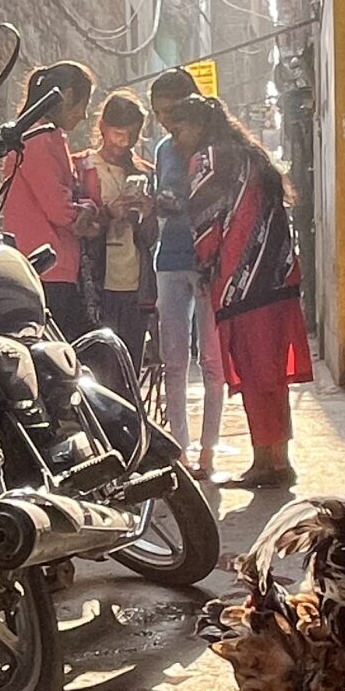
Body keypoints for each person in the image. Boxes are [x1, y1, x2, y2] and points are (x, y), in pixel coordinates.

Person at [183, 92, 313, 489]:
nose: (176, 137)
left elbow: (205, 226)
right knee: (271, 373)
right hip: (276, 276)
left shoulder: (209, 160)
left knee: (255, 372)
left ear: (198, 126)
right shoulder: (252, 155)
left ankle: (263, 461)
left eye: (178, 128)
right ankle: (279, 457)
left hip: (242, 282)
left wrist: (206, 267)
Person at [147, 69, 225, 478]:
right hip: (171, 259)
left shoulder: (217, 147)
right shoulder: (163, 148)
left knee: (212, 361)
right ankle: (178, 452)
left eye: (170, 112)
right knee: (173, 362)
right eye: (158, 113)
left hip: (208, 261)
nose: (165, 122)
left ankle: (208, 452)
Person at [0, 60, 97, 337]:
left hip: (54, 263)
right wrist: (87, 210)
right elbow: (59, 208)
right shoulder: (37, 137)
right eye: (82, 103)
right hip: (45, 265)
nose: (84, 114)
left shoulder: (49, 136)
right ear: (65, 96)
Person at [77, 90, 156, 363]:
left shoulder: (145, 173)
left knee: (131, 364)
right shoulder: (82, 168)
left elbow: (153, 238)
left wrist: (147, 213)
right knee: (98, 365)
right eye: (118, 134)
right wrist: (108, 214)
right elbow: (75, 226)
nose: (124, 143)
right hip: (97, 285)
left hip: (135, 285)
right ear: (102, 128)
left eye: (132, 136)